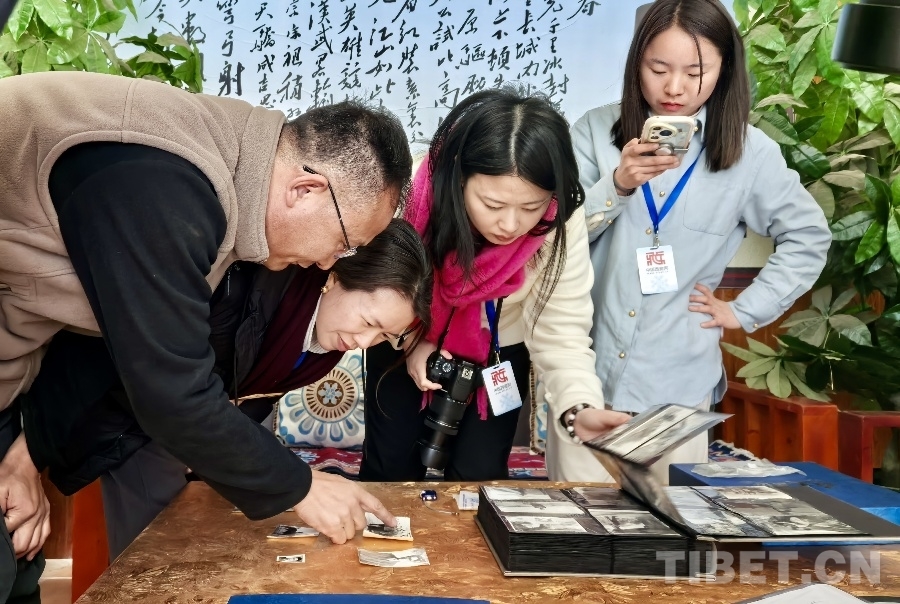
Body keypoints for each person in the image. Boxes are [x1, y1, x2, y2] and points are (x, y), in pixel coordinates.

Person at [0, 70, 411, 598]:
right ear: (306, 190)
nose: (331, 263)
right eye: (345, 243)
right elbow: (170, 391)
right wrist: (302, 486)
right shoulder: (164, 184)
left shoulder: (220, 183)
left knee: (18, 570)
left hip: (13, 380)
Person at [22, 218, 431, 560]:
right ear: (335, 276)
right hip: (131, 414)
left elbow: (247, 398)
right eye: (369, 321)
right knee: (154, 553)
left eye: (384, 336)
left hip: (193, 424)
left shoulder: (323, 342)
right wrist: (28, 453)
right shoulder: (246, 287)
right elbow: (165, 390)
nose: (364, 342)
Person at [570, 0, 831, 482]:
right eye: (658, 69)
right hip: (584, 379)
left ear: (724, 69)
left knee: (670, 522)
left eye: (696, 72)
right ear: (636, 63)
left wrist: (744, 310)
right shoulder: (593, 132)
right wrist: (618, 186)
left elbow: (809, 236)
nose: (675, 88)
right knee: (577, 518)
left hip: (678, 388)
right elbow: (552, 240)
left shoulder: (750, 153)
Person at [359, 88, 631, 483]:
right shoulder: (412, 194)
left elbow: (563, 332)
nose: (510, 224)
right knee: (391, 469)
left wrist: (579, 408)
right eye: (492, 205)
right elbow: (377, 285)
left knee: (480, 477)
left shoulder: (560, 218)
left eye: (531, 207)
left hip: (499, 351)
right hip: (402, 337)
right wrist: (413, 340)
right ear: (459, 178)